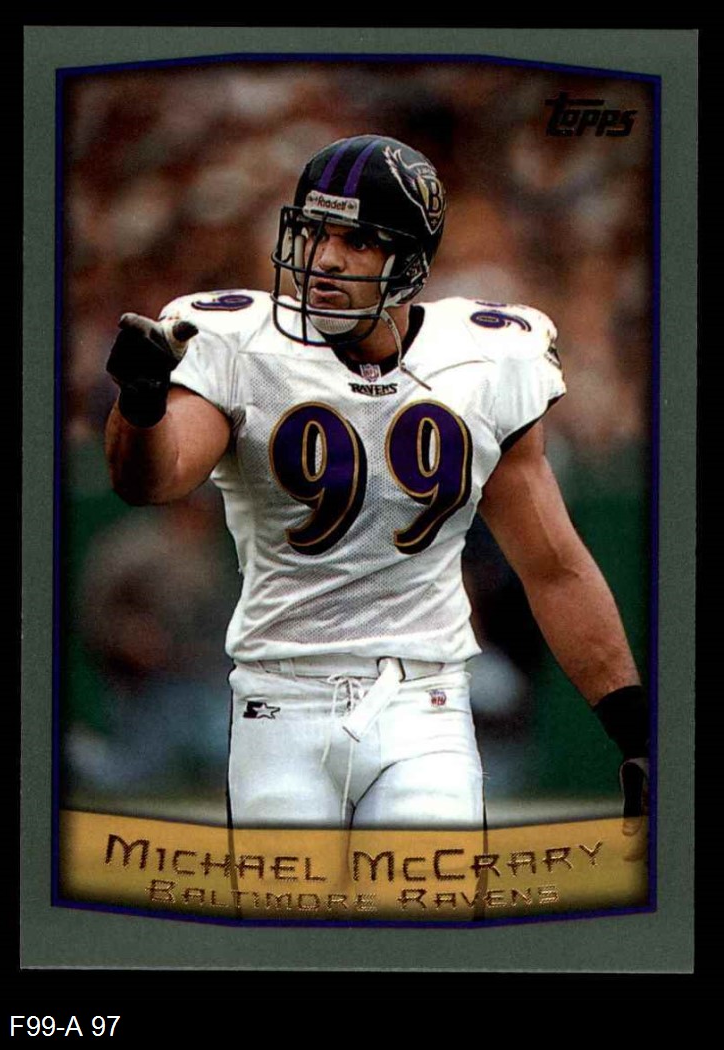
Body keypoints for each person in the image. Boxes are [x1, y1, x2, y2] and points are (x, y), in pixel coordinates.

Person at [105, 134, 649, 830]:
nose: (325, 258)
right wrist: (141, 403)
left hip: (424, 702)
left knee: (428, 895)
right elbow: (152, 480)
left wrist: (634, 729)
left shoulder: (483, 357)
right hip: (279, 701)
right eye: (315, 232)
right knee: (292, 903)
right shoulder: (238, 342)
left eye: (358, 241)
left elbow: (553, 566)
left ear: (411, 263)